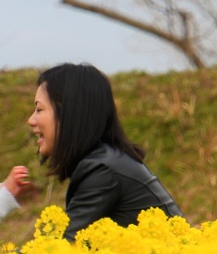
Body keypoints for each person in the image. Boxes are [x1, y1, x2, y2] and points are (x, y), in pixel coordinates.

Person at [28, 62, 182, 242]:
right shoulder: (107, 161)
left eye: (39, 109)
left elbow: (62, 247)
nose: (31, 120)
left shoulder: (103, 170)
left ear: (70, 113)